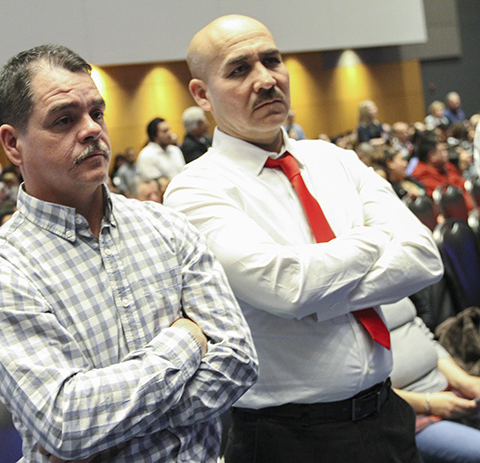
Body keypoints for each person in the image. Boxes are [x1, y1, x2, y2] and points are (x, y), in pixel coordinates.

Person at [164, 15, 444, 463]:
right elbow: (288, 288)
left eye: (271, 61)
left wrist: (324, 297)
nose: (265, 80)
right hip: (289, 438)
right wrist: (373, 238)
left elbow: (423, 257)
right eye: (239, 70)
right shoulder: (195, 190)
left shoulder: (334, 159)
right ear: (202, 95)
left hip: (387, 415)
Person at [0, 44, 258, 463]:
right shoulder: (0, 274)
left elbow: (239, 362)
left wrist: (106, 433)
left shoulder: (166, 227)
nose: (91, 131)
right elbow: (67, 423)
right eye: (64, 120)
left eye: (96, 114)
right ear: (13, 145)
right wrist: (186, 340)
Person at [383, 297, 480, 463]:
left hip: (447, 389)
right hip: (404, 413)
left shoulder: (388, 281)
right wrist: (429, 402)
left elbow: (426, 337)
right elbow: (362, 389)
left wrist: (465, 382)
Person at [410, 131, 473, 211]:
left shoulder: (445, 166)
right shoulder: (422, 175)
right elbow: (449, 201)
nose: (446, 154)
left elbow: (462, 184)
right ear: (432, 156)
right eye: (443, 151)